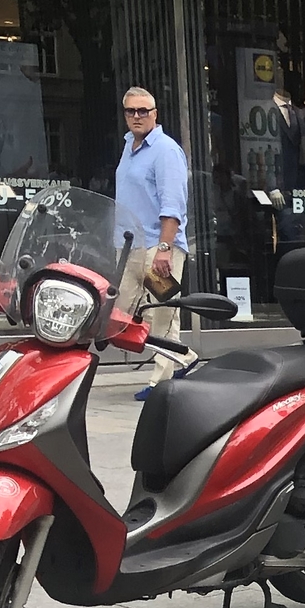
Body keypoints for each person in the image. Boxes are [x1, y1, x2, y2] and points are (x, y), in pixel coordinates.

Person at [112, 87, 188, 386]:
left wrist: (166, 249)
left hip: (158, 245)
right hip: (130, 245)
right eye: (131, 111)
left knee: (162, 315)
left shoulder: (166, 150)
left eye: (143, 111)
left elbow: (173, 204)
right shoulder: (128, 145)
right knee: (122, 314)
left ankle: (161, 381)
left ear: (155, 114)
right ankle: (185, 358)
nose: (137, 116)